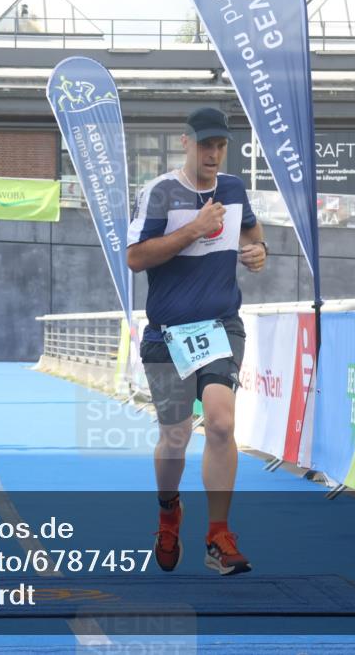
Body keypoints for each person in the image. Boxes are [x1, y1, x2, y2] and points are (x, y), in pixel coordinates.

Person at [126, 107, 267, 576]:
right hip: (167, 334)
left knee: (222, 424)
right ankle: (169, 513)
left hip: (219, 325)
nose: (212, 152)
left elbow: (251, 229)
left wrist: (257, 251)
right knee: (175, 434)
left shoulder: (233, 189)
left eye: (220, 145)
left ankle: (218, 537)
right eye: (204, 143)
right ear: (184, 142)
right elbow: (135, 258)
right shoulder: (160, 192)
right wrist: (194, 229)